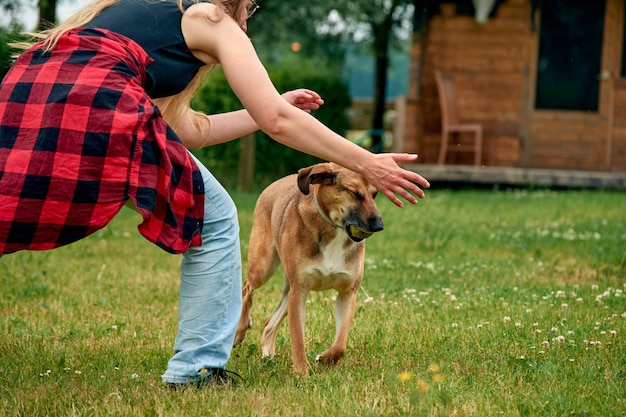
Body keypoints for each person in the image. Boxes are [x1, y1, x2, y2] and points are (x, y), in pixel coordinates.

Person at [0, 0, 430, 388]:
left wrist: (270, 106)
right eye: (251, 11)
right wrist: (366, 162)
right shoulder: (211, 17)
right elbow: (279, 122)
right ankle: (196, 370)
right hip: (96, 105)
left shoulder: (151, 19)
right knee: (213, 214)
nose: (246, 25)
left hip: (29, 97)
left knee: (8, 210)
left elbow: (190, 130)